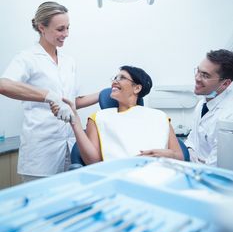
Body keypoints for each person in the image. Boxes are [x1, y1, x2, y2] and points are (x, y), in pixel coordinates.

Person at [0, 1, 99, 181]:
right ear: (42, 27)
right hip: (41, 151)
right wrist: (48, 96)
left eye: (68, 28)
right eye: (60, 29)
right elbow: (4, 85)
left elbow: (71, 102)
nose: (66, 34)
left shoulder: (69, 61)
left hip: (70, 145)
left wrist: (103, 95)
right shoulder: (27, 58)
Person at [52, 66, 184, 164]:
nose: (114, 81)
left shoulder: (159, 117)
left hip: (159, 175)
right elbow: (93, 162)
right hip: (119, 178)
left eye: (121, 78)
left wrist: (167, 154)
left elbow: (180, 157)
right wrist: (75, 122)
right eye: (115, 78)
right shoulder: (98, 118)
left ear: (137, 88)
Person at [185, 49, 233, 166]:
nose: (197, 78)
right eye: (198, 71)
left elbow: (218, 166)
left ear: (225, 84)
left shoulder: (229, 116)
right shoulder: (203, 103)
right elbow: (192, 141)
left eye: (205, 75)